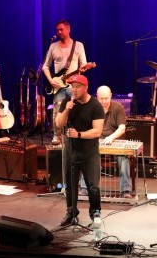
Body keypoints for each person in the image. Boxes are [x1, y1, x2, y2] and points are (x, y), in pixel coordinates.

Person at [55, 75, 105, 226]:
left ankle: (95, 213)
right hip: (70, 150)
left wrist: (79, 135)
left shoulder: (95, 106)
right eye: (72, 87)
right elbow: (58, 124)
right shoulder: (67, 102)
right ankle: (71, 212)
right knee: (70, 184)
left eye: (77, 87)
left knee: (93, 186)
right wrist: (66, 111)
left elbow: (97, 131)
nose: (74, 90)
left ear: (85, 88)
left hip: (89, 152)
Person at [79, 85, 132, 198]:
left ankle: (125, 190)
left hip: (115, 141)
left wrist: (111, 138)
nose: (104, 101)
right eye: (101, 98)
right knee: (89, 157)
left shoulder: (118, 107)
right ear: (97, 97)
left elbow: (122, 128)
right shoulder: (93, 108)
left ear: (111, 96)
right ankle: (85, 188)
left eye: (106, 98)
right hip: (98, 142)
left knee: (123, 159)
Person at [42, 19, 87, 145]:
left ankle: (77, 135)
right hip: (58, 85)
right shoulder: (53, 46)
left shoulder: (78, 45)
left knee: (76, 110)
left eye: (61, 29)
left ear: (68, 29)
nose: (59, 32)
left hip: (74, 85)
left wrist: (82, 69)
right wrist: (51, 80)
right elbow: (46, 66)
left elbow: (83, 64)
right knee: (58, 110)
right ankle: (56, 136)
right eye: (57, 30)